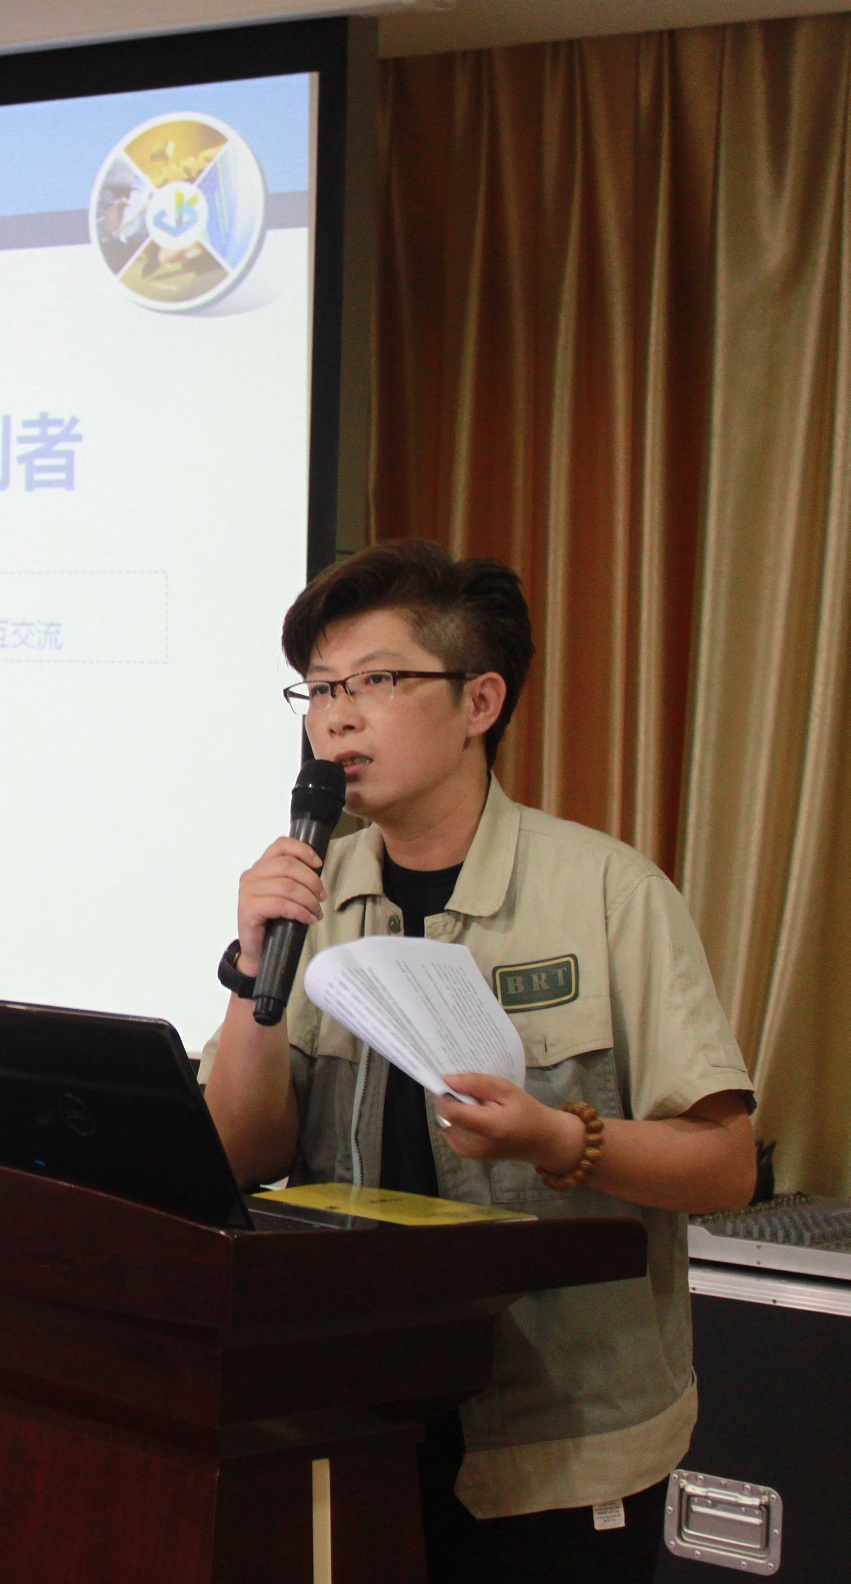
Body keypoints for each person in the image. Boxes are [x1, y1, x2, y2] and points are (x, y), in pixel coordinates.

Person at [201, 540, 756, 1584]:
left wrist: (558, 1140)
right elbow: (240, 1153)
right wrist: (250, 967)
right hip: (346, 1414)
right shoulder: (313, 893)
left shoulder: (608, 893)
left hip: (557, 1442)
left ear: (480, 702)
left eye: (376, 681)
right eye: (320, 689)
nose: (336, 719)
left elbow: (726, 1167)